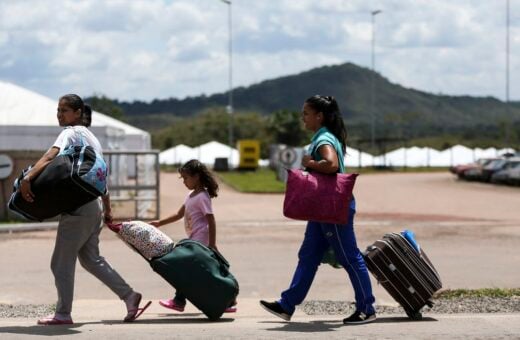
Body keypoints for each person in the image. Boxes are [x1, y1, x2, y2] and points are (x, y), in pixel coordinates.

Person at [19, 94, 150, 325]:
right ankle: (129, 296)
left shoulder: (70, 132)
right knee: (91, 260)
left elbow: (50, 156)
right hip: (94, 206)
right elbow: (100, 176)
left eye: (65, 110)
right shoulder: (93, 139)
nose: (60, 114)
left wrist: (28, 178)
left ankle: (63, 313)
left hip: (78, 208)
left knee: (60, 262)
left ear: (78, 113)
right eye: (58, 110)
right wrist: (107, 209)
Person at [259, 95, 376, 324]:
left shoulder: (323, 139)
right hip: (321, 209)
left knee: (349, 257)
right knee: (308, 255)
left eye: (306, 113)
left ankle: (367, 308)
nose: (303, 118)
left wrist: (309, 164)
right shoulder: (323, 137)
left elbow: (331, 165)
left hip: (331, 207)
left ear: (319, 116)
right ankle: (287, 305)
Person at [150, 159, 236, 313]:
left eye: (186, 178)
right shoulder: (191, 195)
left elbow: (211, 219)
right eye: (182, 178)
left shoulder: (202, 196)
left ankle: (179, 300)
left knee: (186, 268)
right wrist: (159, 223)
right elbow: (179, 214)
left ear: (196, 176)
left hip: (201, 240)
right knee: (203, 272)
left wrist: (213, 243)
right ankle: (228, 301)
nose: (184, 181)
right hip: (194, 239)